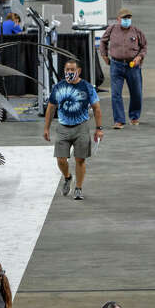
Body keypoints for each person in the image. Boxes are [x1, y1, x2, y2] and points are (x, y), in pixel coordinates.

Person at [43, 58, 104, 201]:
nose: (69, 72)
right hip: (63, 127)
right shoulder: (58, 87)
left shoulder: (87, 87)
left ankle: (78, 188)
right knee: (61, 159)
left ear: (79, 71)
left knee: (80, 159)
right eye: (67, 70)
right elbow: (51, 108)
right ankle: (67, 177)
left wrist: (99, 128)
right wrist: (46, 128)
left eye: (72, 70)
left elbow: (96, 108)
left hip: (81, 127)